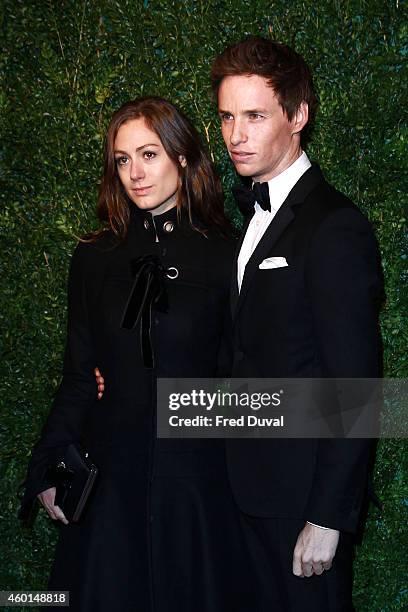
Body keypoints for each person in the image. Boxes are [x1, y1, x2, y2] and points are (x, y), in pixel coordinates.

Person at [18, 97, 255, 612]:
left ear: (183, 156)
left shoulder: (229, 254)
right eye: (123, 160)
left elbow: (241, 377)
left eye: (148, 154)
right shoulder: (93, 257)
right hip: (110, 495)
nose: (135, 173)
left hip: (198, 494)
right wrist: (51, 460)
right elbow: (79, 375)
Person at [208, 37, 382, 611]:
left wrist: (330, 515)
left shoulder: (334, 225)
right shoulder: (253, 216)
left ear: (298, 114)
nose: (236, 134)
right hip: (243, 491)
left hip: (302, 501)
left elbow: (357, 382)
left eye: (255, 116)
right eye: (228, 117)